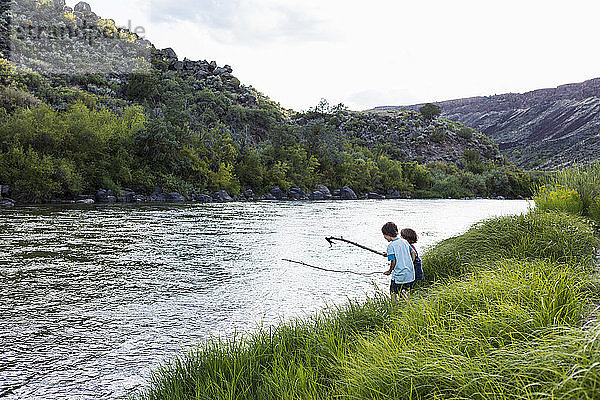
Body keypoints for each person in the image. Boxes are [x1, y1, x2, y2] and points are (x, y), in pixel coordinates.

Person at [382, 222, 415, 301]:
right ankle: (407, 304)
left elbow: (393, 261)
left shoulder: (391, 246)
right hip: (409, 273)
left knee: (393, 292)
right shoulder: (404, 241)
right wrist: (411, 263)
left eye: (384, 235)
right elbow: (413, 252)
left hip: (399, 275)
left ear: (387, 234)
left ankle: (395, 308)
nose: (384, 237)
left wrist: (389, 271)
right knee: (404, 290)